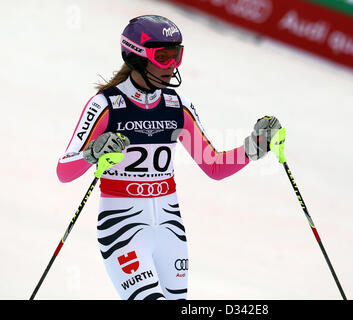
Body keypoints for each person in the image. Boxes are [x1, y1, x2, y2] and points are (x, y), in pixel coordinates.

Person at [57, 15, 281, 300]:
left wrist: (256, 146)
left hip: (169, 226)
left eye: (177, 56)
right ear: (136, 57)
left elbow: (212, 165)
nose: (172, 65)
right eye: (162, 57)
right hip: (122, 225)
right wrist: (92, 154)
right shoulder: (106, 105)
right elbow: (63, 171)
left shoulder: (177, 106)